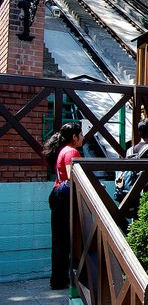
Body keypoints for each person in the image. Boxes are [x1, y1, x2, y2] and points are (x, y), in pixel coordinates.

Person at [42, 122, 84, 290]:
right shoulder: (72, 151)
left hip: (57, 193)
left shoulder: (62, 150)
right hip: (64, 196)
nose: (82, 137)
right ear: (74, 137)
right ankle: (62, 280)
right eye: (80, 134)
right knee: (64, 241)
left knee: (59, 241)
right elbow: (75, 176)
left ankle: (58, 279)